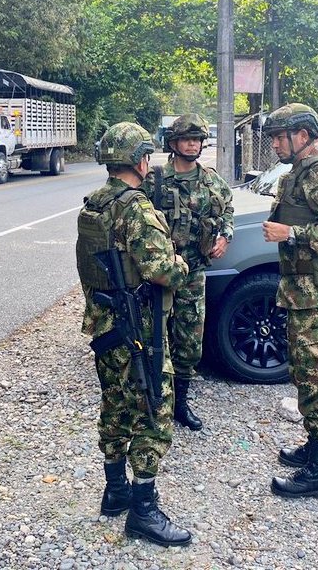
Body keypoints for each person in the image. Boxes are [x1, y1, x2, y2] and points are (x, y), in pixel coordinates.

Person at [75, 122, 191, 547]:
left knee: (115, 404)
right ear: (140, 160)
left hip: (104, 325)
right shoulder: (136, 208)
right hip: (137, 329)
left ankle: (114, 491)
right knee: (153, 410)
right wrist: (181, 265)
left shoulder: (94, 205)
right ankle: (143, 509)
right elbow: (161, 270)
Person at [261, 104, 318, 499]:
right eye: (275, 137)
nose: (277, 144)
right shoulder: (295, 175)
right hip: (302, 294)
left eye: (282, 136)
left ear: (304, 135)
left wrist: (292, 234)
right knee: (305, 375)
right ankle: (314, 449)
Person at [143, 114, 234, 431]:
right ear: (173, 143)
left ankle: (180, 404)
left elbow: (227, 210)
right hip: (158, 278)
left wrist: (225, 236)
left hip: (194, 276)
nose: (193, 143)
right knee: (153, 341)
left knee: (189, 345)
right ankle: (153, 405)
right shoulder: (155, 180)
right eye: (187, 139)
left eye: (197, 139)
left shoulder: (211, 181)